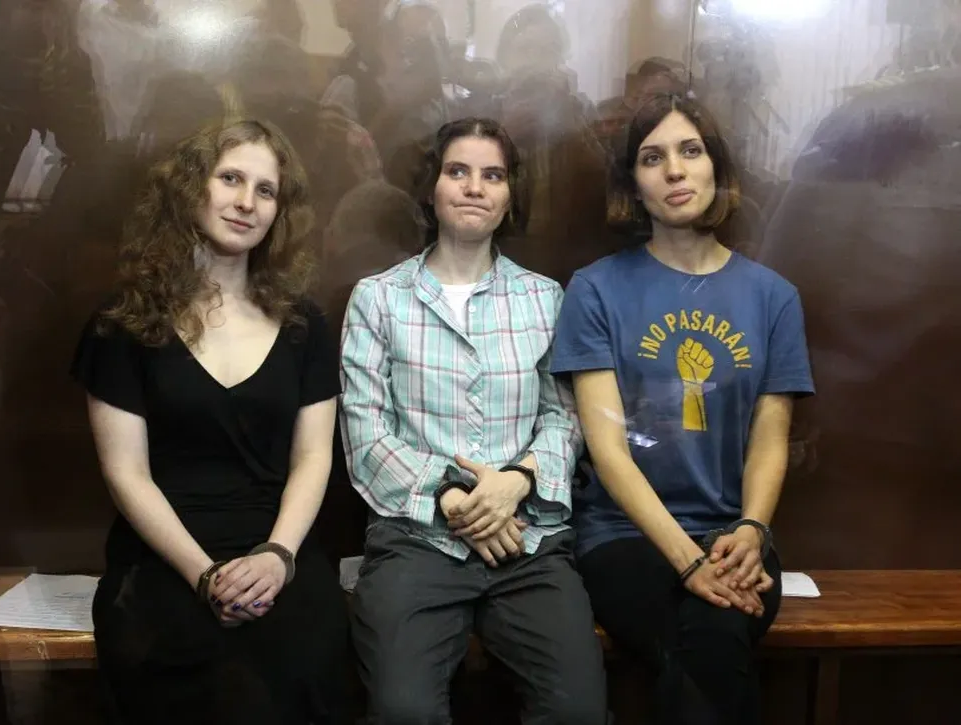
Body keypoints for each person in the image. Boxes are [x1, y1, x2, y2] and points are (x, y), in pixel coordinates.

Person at [70, 118, 349, 725]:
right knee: (198, 682)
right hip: (164, 560)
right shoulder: (123, 323)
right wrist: (204, 576)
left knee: (301, 670)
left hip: (281, 551)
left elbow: (313, 458)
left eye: (266, 190)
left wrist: (276, 556)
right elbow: (126, 474)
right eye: (230, 179)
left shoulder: (304, 324)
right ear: (193, 186)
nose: (247, 202)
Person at [550, 93, 814, 725]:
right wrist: (687, 558)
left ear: (715, 170)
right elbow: (607, 449)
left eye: (690, 151)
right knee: (705, 643)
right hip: (622, 537)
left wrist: (751, 531)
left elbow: (770, 441)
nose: (674, 170)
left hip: (735, 535)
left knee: (713, 638)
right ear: (633, 185)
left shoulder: (773, 297)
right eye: (652, 157)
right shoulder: (595, 289)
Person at [339, 117, 608, 725]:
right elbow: (365, 434)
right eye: (457, 171)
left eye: (492, 175)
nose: (474, 187)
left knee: (578, 713)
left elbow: (564, 417)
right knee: (402, 711)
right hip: (417, 540)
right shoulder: (378, 298)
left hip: (529, 541)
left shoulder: (545, 299)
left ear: (510, 194)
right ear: (431, 187)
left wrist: (514, 482)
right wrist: (459, 499)